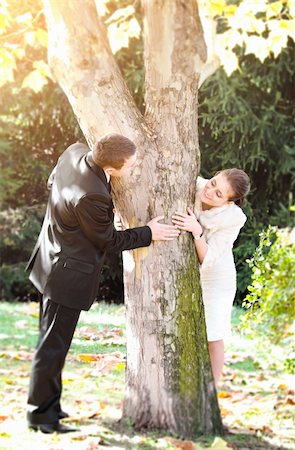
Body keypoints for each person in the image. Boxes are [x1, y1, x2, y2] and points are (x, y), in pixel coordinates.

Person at [26, 133, 180, 434]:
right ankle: (41, 417)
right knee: (52, 348)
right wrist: (148, 232)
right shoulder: (93, 195)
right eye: (131, 165)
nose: (134, 168)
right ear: (112, 169)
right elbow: (109, 241)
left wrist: (82, 221)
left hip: (50, 258)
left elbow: (52, 182)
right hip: (65, 275)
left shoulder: (74, 153)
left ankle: (50, 405)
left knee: (52, 343)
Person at [172, 169, 250, 386]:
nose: (211, 191)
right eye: (214, 183)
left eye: (219, 194)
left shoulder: (233, 218)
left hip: (217, 275)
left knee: (213, 333)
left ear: (229, 201)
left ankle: (212, 389)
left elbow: (208, 257)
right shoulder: (195, 185)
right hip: (189, 270)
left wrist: (197, 231)